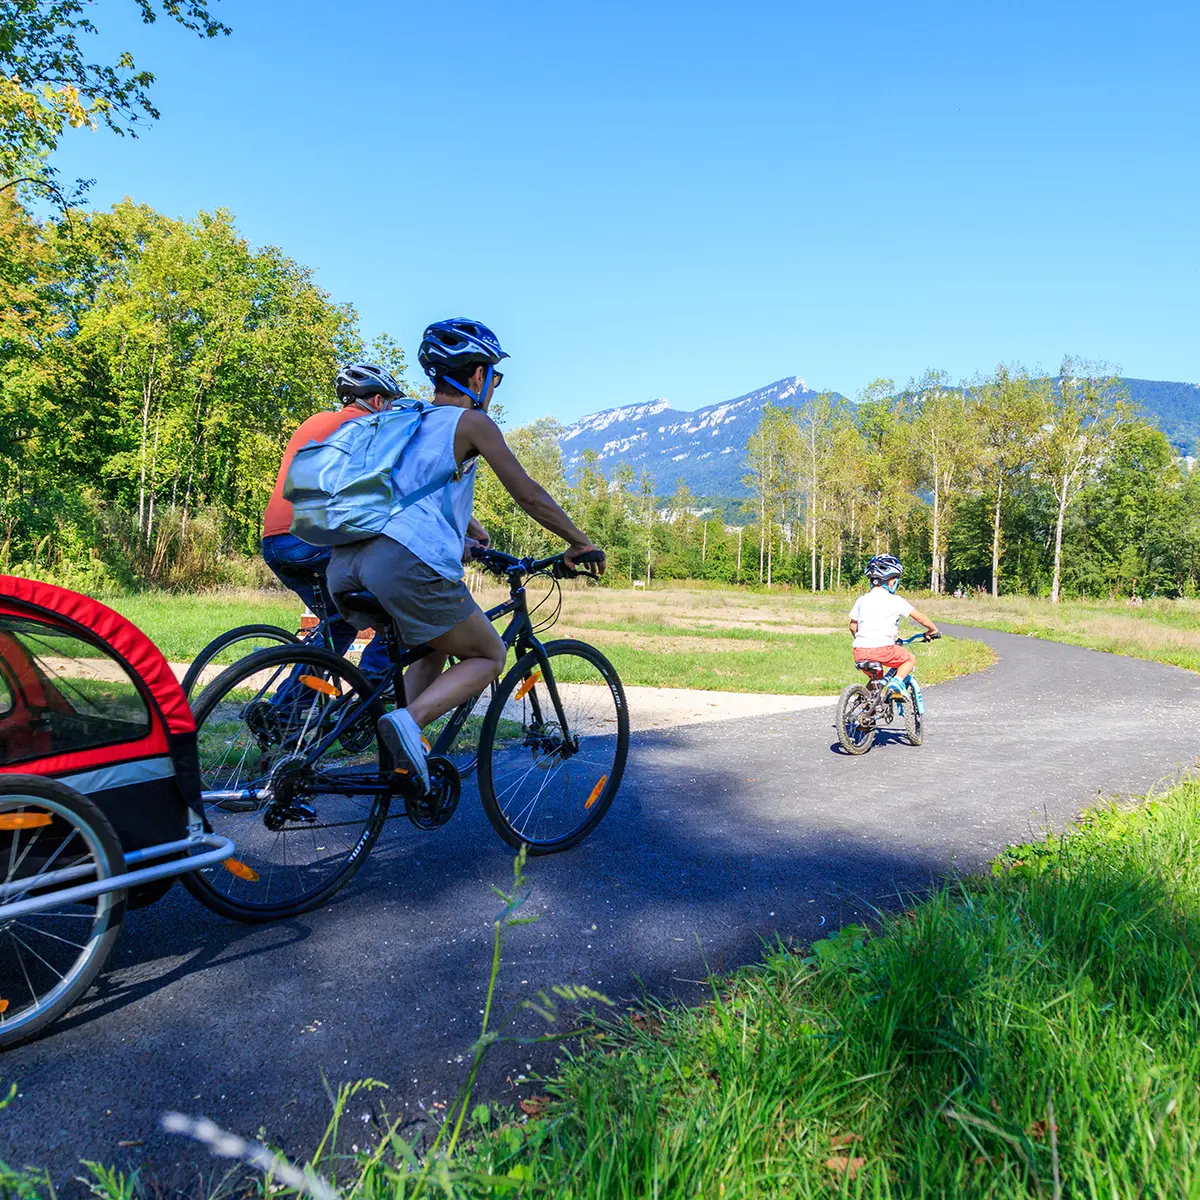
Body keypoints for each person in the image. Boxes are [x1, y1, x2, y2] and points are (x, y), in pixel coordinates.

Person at [327, 318, 603, 793]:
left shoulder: (405, 419)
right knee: (490, 654)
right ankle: (408, 723)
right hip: (402, 567)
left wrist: (468, 543)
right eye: (493, 376)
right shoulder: (472, 422)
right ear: (477, 375)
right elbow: (529, 494)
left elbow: (409, 503)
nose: (492, 386)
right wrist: (580, 541)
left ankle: (399, 762)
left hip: (344, 565)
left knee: (434, 644)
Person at [260, 363, 402, 690]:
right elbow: (393, 490)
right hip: (313, 541)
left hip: (276, 542)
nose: (391, 410)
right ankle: (370, 695)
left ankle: (291, 711)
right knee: (398, 613)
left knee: (338, 626)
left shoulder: (315, 421)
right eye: (391, 403)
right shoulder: (369, 428)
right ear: (378, 401)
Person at [848, 554, 939, 702]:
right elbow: (920, 617)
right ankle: (896, 683)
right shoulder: (896, 600)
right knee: (909, 659)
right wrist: (933, 630)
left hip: (860, 651)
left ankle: (864, 713)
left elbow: (853, 626)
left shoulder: (862, 600)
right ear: (892, 581)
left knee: (876, 679)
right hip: (884, 649)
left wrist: (864, 640)